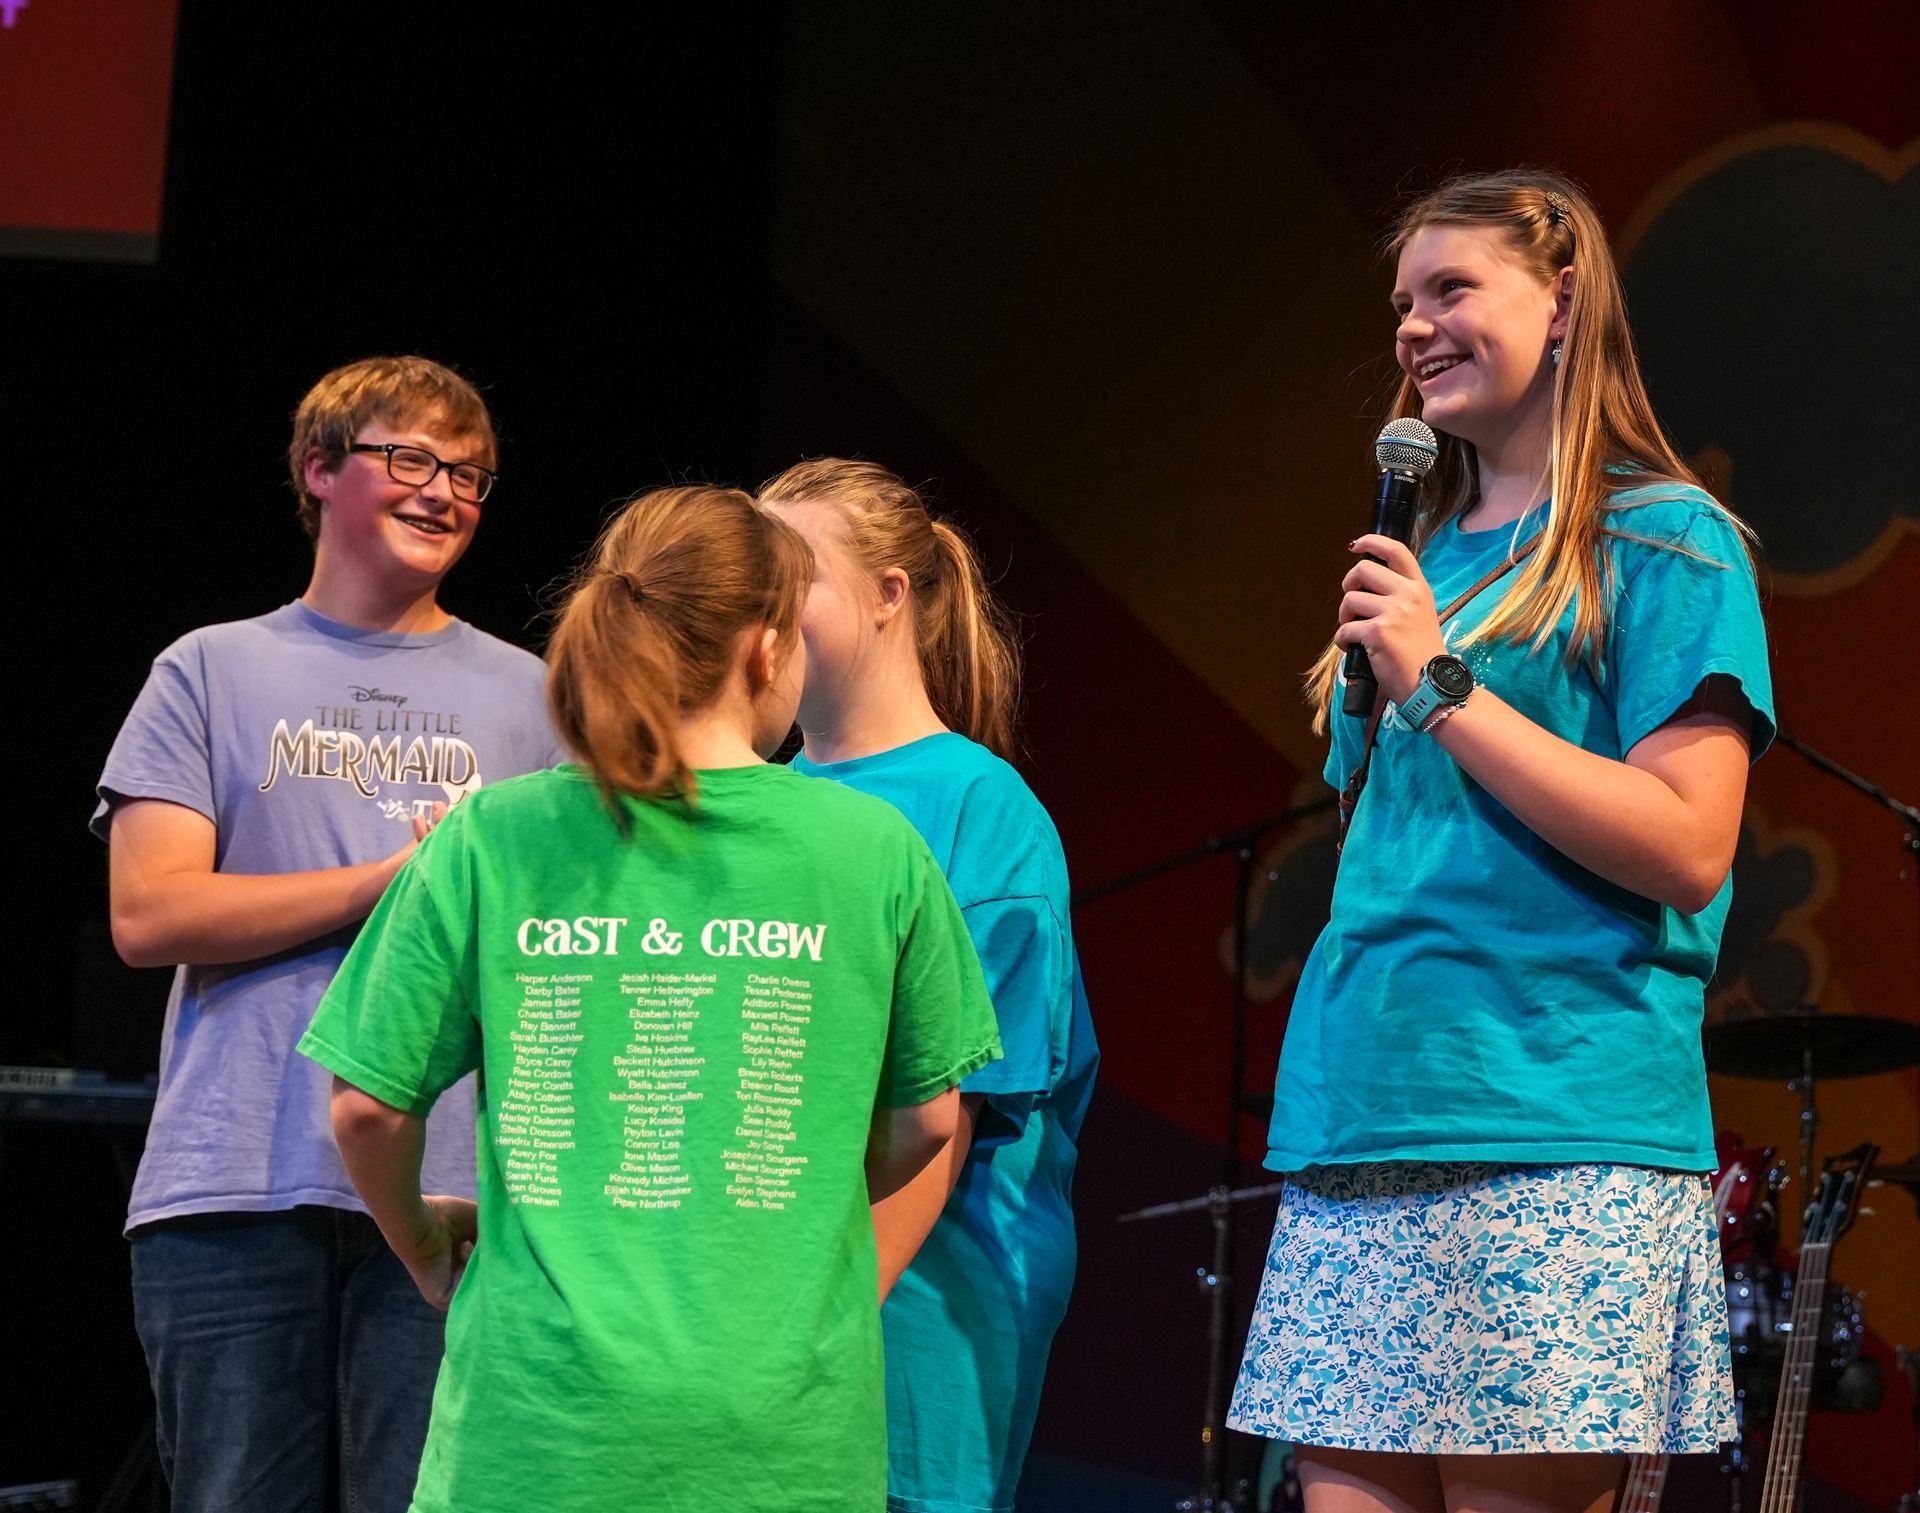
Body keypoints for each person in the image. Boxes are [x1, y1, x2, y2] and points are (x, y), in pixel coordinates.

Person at [1226, 170, 1774, 1513]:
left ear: (1566, 303)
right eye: (1404, 302)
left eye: (1452, 289)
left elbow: (1689, 843)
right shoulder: (1422, 563)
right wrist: (1413, 657)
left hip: (1556, 1121)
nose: (1415, 327)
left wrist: (1445, 685)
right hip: (1361, 1119)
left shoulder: (1665, 542)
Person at [297, 483, 1003, 1512]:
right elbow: (927, 1122)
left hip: (534, 1431)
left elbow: (366, 1107)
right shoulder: (877, 849)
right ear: (768, 650)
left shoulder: (493, 835)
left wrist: (421, 1246)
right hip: (783, 1442)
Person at [94, 355, 562, 1512]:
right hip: (233, 1187)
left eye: (469, 472)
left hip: (452, 1194)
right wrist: (400, 882)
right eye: (409, 457)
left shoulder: (539, 697)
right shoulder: (210, 668)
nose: (444, 490)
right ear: (320, 470)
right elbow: (150, 913)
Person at [759, 458, 1099, 1513]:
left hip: (920, 1284)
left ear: (888, 594)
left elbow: (946, 1115)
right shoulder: (752, 797)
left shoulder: (977, 808)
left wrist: (836, 1312)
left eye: (790, 576)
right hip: (774, 1278)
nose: (758, 609)